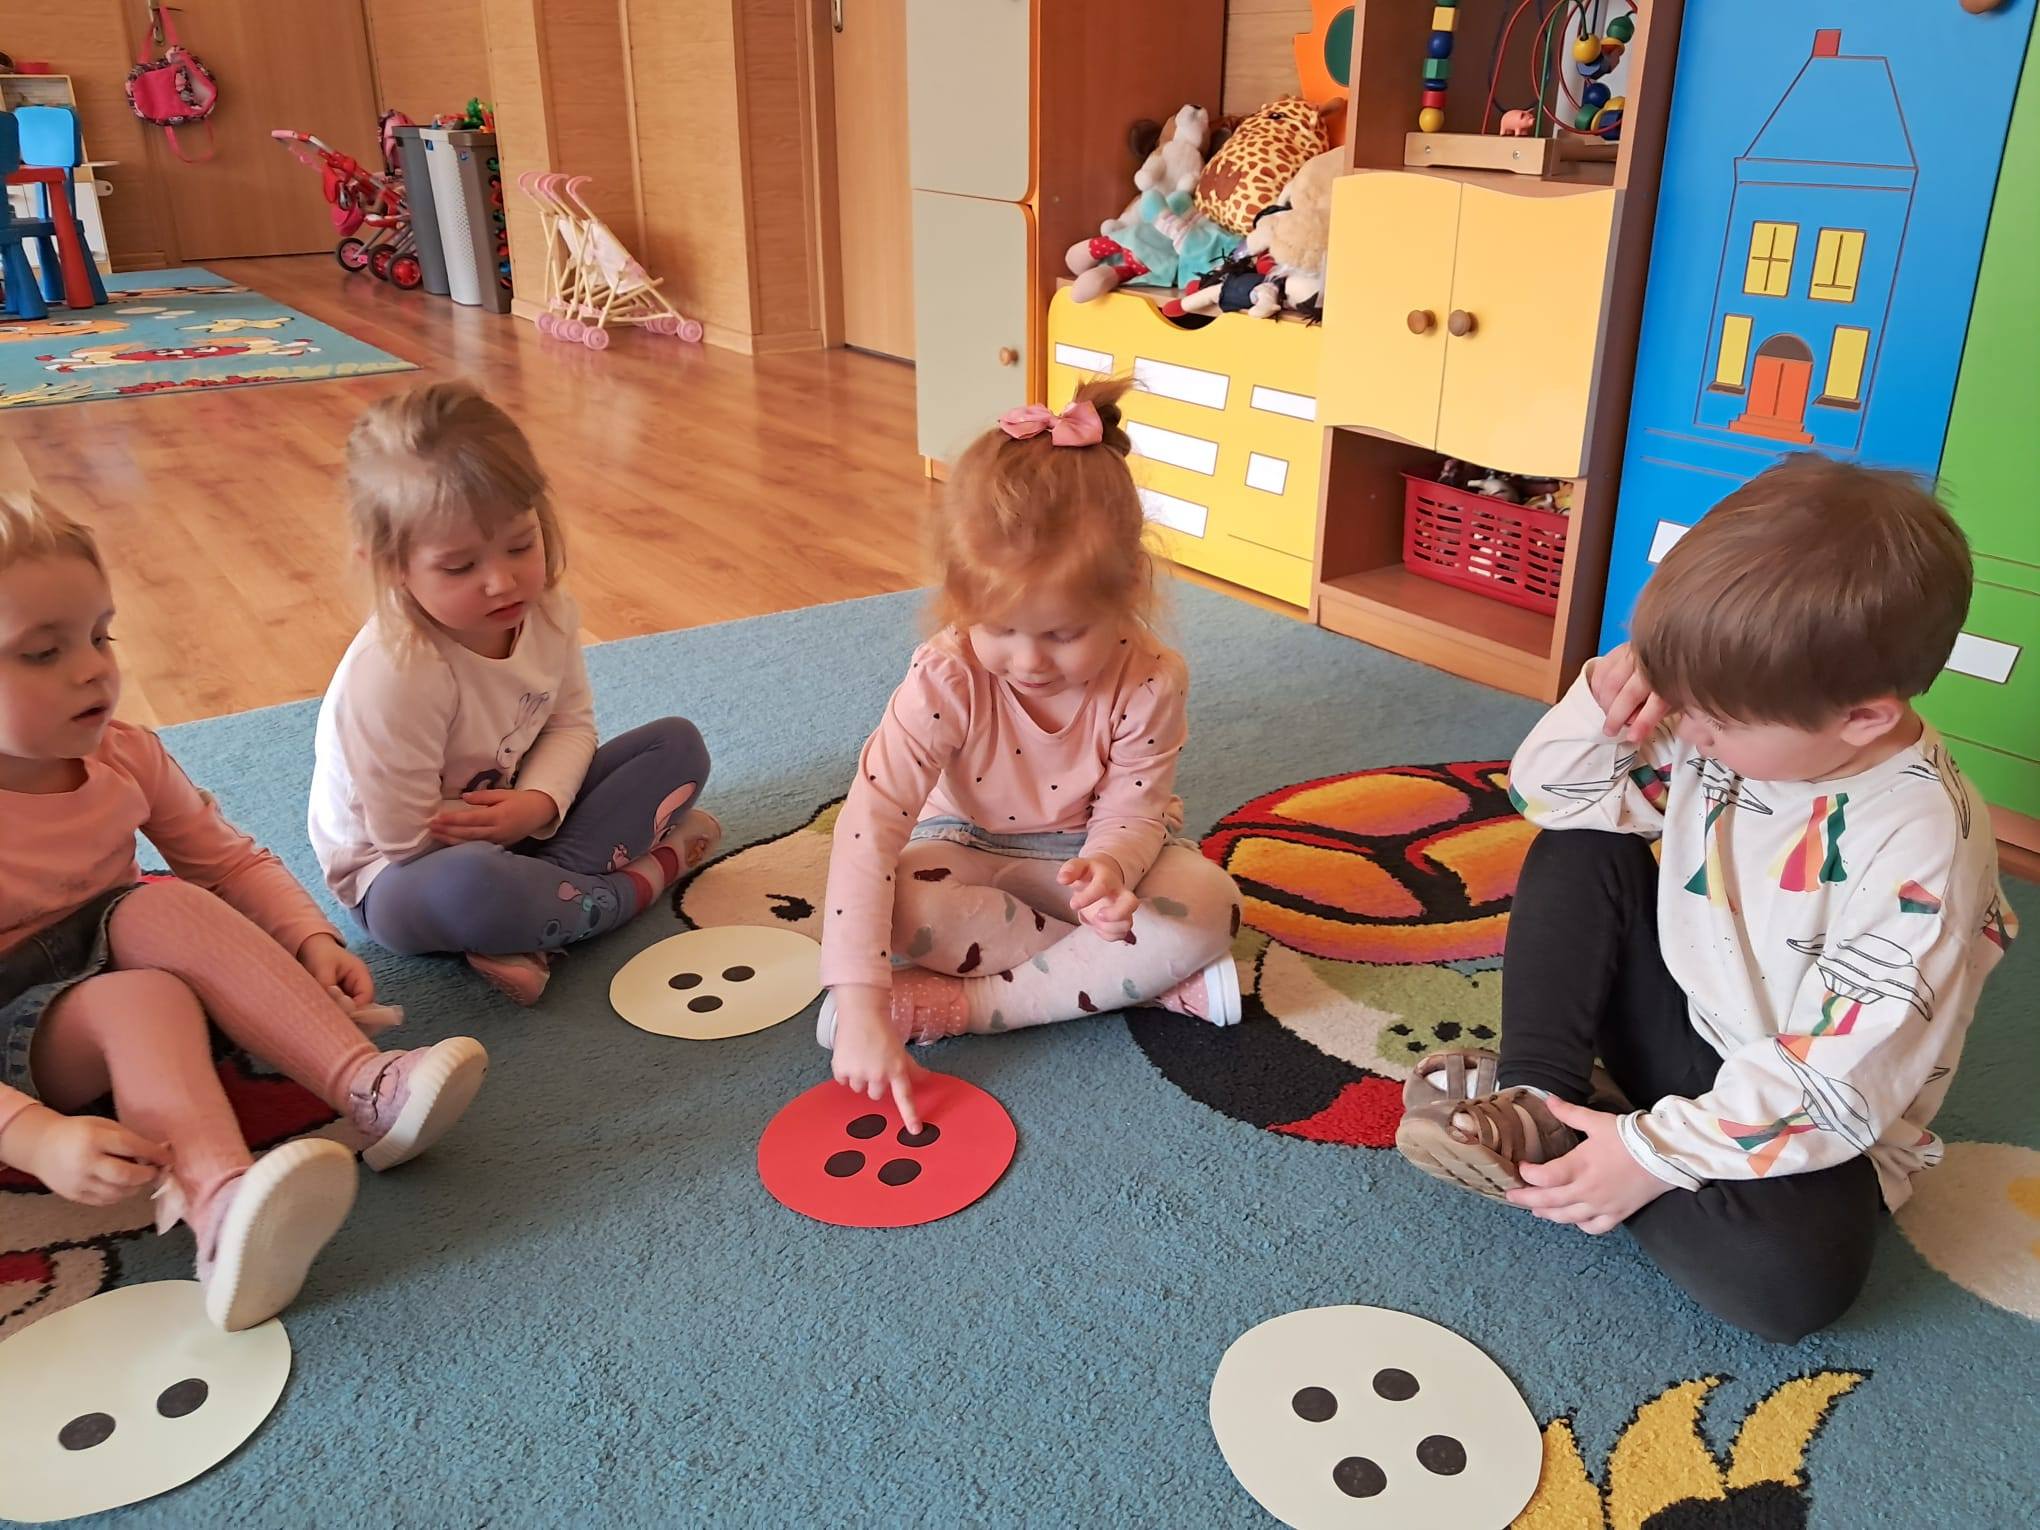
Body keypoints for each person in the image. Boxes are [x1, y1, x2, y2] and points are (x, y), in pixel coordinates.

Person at [1397, 455, 2015, 1342]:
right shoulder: (1732, 716)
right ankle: (1542, 1098)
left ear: (1865, 717)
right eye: (1679, 701)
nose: (1686, 732)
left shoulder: (1923, 854)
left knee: (1790, 1289)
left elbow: (1838, 1085)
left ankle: (1599, 1131)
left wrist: (1651, 1155)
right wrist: (1605, 697)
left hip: (1812, 1103)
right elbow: (1554, 800)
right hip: (1691, 1018)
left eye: (1714, 722)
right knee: (1581, 848)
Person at [0, 492, 487, 1331]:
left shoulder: (125, 754)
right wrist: (31, 1134)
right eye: (43, 652)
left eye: (100, 636)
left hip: (120, 958)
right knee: (142, 993)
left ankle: (369, 1084)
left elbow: (226, 861)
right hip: (23, 1031)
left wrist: (308, 937)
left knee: (161, 906)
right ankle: (222, 1214)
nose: (91, 670)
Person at [818, 380, 1244, 1131]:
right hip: (965, 846)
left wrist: (1109, 871)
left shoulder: (1152, 678)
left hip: (1087, 855)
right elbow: (868, 829)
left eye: (1062, 634)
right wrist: (857, 1003)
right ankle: (1134, 980)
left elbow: (1134, 810)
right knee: (904, 908)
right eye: (998, 628)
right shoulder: (945, 676)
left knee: (1209, 906)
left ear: (1128, 590)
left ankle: (967, 1006)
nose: (1028, 661)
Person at [310, 382, 718, 1005]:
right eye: (460, 566)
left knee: (677, 746)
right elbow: (405, 838)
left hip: (516, 820)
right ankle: (644, 879)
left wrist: (536, 804)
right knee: (474, 885)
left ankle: (539, 915)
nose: (502, 581)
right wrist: (510, 833)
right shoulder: (394, 673)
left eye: (521, 544)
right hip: (403, 874)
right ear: (392, 567)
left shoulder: (547, 611)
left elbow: (571, 725)